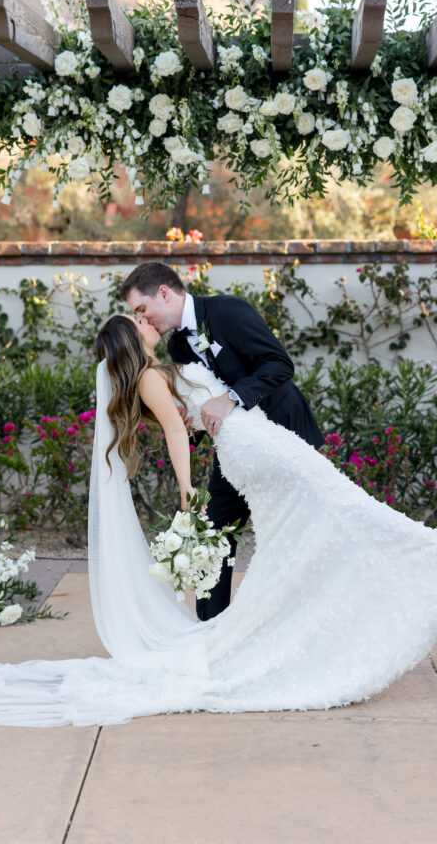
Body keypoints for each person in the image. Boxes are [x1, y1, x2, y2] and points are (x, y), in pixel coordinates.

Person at [0, 310, 437, 729]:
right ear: (126, 341)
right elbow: (172, 430)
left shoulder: (160, 368)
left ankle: (435, 558)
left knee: (336, 511)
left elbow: (181, 414)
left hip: (253, 441)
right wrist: (187, 487)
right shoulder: (148, 380)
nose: (144, 321)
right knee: (340, 507)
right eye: (135, 322)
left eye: (142, 314)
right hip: (251, 444)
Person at [119, 261, 324, 620]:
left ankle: (302, 623)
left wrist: (231, 397)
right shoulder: (179, 345)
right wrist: (192, 423)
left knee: (295, 535)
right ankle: (210, 630)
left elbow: (279, 365)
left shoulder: (228, 311)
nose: (143, 320)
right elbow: (206, 403)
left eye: (141, 309)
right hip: (236, 452)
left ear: (163, 293)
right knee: (211, 533)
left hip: (284, 435)